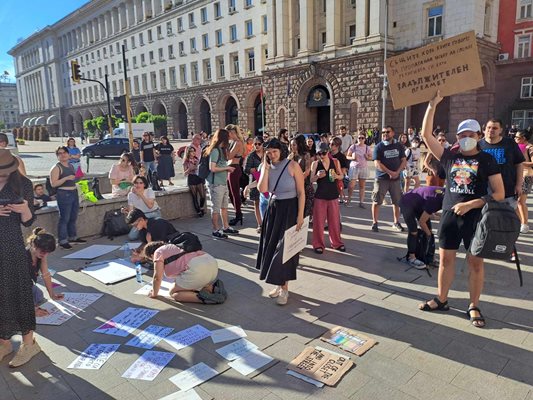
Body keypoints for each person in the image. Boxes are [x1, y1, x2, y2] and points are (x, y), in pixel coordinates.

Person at [418, 91, 504, 328]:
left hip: (476, 218)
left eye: (471, 134)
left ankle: (473, 305)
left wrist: (472, 204)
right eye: (462, 134)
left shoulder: (487, 160)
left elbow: (499, 193)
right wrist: (432, 104)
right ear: (457, 137)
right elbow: (426, 135)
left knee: (475, 263)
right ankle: (442, 299)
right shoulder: (449, 157)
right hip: (449, 215)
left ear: (478, 136)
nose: (467, 138)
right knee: (445, 260)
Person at [0, 149, 42, 367]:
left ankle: (29, 344)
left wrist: (25, 209)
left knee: (19, 292)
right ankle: (4, 342)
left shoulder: (23, 184)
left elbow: (28, 222)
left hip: (12, 246)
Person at [256, 138, 305, 305]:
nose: (271, 154)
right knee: (272, 247)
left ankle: (284, 289)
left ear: (281, 150)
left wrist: (300, 215)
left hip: (290, 209)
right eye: (268, 152)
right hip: (274, 209)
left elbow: (301, 192)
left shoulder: (292, 165)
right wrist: (266, 168)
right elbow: (263, 189)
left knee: (284, 250)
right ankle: (280, 284)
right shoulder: (266, 166)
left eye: (274, 151)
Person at [143, 241, 219, 303]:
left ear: (152, 255)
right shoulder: (173, 246)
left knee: (174, 293)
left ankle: (206, 299)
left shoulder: (158, 252)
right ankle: (212, 288)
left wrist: (154, 293)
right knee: (188, 283)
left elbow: (157, 277)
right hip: (212, 264)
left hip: (197, 270)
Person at [479, 119, 524, 210]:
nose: (491, 130)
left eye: (495, 128)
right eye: (489, 127)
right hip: (484, 192)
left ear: (501, 130)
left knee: (506, 220)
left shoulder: (510, 143)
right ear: (484, 129)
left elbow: (519, 164)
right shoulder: (478, 145)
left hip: (507, 190)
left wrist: (518, 185)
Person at [310, 143, 345, 254]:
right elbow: (311, 180)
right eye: (319, 153)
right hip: (320, 196)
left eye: (323, 153)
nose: (321, 155)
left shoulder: (335, 162)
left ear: (328, 151)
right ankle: (318, 244)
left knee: (334, 221)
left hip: (333, 195)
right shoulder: (315, 164)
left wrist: (336, 176)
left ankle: (337, 243)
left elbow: (342, 175)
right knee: (318, 223)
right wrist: (317, 176)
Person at [371, 126, 406, 232]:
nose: (385, 134)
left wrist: (397, 172)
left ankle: (396, 222)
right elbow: (377, 163)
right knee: (377, 201)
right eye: (383, 132)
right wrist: (390, 172)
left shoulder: (399, 145)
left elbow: (403, 160)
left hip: (395, 179)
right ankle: (375, 223)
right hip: (382, 179)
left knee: (397, 202)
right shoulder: (379, 147)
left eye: (387, 132)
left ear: (393, 133)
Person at [49, 146, 85, 249]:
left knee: (73, 216)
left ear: (68, 154)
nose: (63, 155)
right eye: (60, 153)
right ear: (57, 156)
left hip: (73, 192)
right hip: (64, 194)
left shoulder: (70, 166)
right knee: (64, 218)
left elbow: (74, 180)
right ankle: (63, 240)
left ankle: (73, 237)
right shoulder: (56, 167)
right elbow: (53, 184)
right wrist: (66, 178)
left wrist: (79, 176)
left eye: (64, 152)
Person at [205, 128, 239, 238]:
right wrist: (227, 168)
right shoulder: (215, 150)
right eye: (228, 137)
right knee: (216, 207)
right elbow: (213, 168)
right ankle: (215, 229)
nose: (229, 140)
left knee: (224, 206)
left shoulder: (221, 150)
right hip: (216, 184)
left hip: (222, 183)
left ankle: (226, 227)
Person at [399, 186, 444, 268]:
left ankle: (429, 256)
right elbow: (422, 222)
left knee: (429, 230)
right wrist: (429, 235)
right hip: (406, 202)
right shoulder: (435, 200)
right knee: (414, 231)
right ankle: (411, 257)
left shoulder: (445, 194)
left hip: (419, 203)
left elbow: (428, 206)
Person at [26, 228, 64, 317]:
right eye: (43, 251)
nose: (45, 255)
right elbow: (15, 287)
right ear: (33, 245)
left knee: (38, 295)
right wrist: (32, 310)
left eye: (48, 252)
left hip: (27, 284)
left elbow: (46, 275)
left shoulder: (40, 255)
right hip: (10, 288)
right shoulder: (22, 258)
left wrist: (52, 294)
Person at [122, 175, 161, 240]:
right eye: (136, 183)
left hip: (153, 213)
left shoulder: (149, 191)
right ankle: (144, 230)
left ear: (144, 184)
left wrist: (140, 194)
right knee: (132, 237)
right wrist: (126, 212)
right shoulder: (131, 195)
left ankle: (146, 229)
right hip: (141, 217)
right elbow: (132, 212)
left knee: (144, 219)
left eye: (141, 183)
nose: (138, 185)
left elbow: (150, 206)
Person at [288, 134, 314, 218]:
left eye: (294, 145)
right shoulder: (291, 156)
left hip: (304, 184)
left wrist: (298, 181)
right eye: (291, 145)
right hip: (292, 185)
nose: (292, 147)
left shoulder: (306, 154)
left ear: (299, 145)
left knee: (305, 210)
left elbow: (307, 171)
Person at [244, 136, 265, 231]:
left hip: (265, 180)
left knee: (266, 202)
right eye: (255, 144)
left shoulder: (266, 154)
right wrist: (257, 169)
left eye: (259, 144)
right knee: (256, 203)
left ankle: (266, 222)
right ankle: (260, 224)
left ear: (262, 144)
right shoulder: (251, 155)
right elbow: (246, 170)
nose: (257, 146)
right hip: (254, 180)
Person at [225, 124, 245, 226]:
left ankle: (238, 215)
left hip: (234, 168)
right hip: (232, 168)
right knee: (231, 193)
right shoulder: (234, 142)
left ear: (232, 133)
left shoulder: (237, 142)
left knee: (235, 193)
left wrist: (224, 147)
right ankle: (238, 213)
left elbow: (229, 156)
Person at [514, 130, 533, 233]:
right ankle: (520, 222)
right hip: (519, 175)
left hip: (526, 176)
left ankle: (524, 224)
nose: (515, 139)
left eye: (517, 137)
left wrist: (521, 162)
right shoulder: (518, 147)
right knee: (517, 202)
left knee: (521, 201)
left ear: (523, 138)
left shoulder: (529, 148)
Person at [347, 133, 372, 208]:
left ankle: (361, 202)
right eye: (359, 138)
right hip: (354, 167)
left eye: (362, 138)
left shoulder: (367, 148)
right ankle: (349, 198)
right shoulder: (353, 146)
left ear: (365, 139)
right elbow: (347, 156)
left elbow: (371, 158)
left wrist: (367, 157)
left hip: (363, 167)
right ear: (357, 139)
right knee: (351, 185)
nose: (361, 139)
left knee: (362, 186)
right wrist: (352, 158)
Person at [183, 146, 206, 217]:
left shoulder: (196, 159)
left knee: (202, 196)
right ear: (188, 152)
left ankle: (201, 207)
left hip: (198, 177)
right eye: (191, 151)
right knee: (194, 196)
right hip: (191, 178)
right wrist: (189, 169)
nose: (193, 153)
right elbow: (184, 173)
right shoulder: (186, 161)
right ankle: (198, 211)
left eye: (194, 151)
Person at [329, 136, 350, 204]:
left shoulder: (341, 156)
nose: (330, 145)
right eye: (330, 143)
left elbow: (343, 170)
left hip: (337, 177)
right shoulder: (327, 154)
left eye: (332, 144)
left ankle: (340, 198)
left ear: (337, 146)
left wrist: (338, 176)